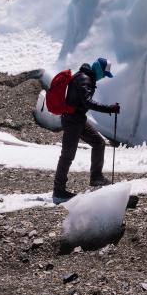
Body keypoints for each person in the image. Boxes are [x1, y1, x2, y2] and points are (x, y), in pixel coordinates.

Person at [53, 57, 120, 203]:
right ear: (99, 70)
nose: (103, 77)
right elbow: (88, 102)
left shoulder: (85, 77)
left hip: (78, 119)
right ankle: (58, 191)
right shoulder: (85, 79)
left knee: (98, 143)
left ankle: (96, 177)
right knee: (67, 156)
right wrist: (109, 108)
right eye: (104, 74)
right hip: (72, 121)